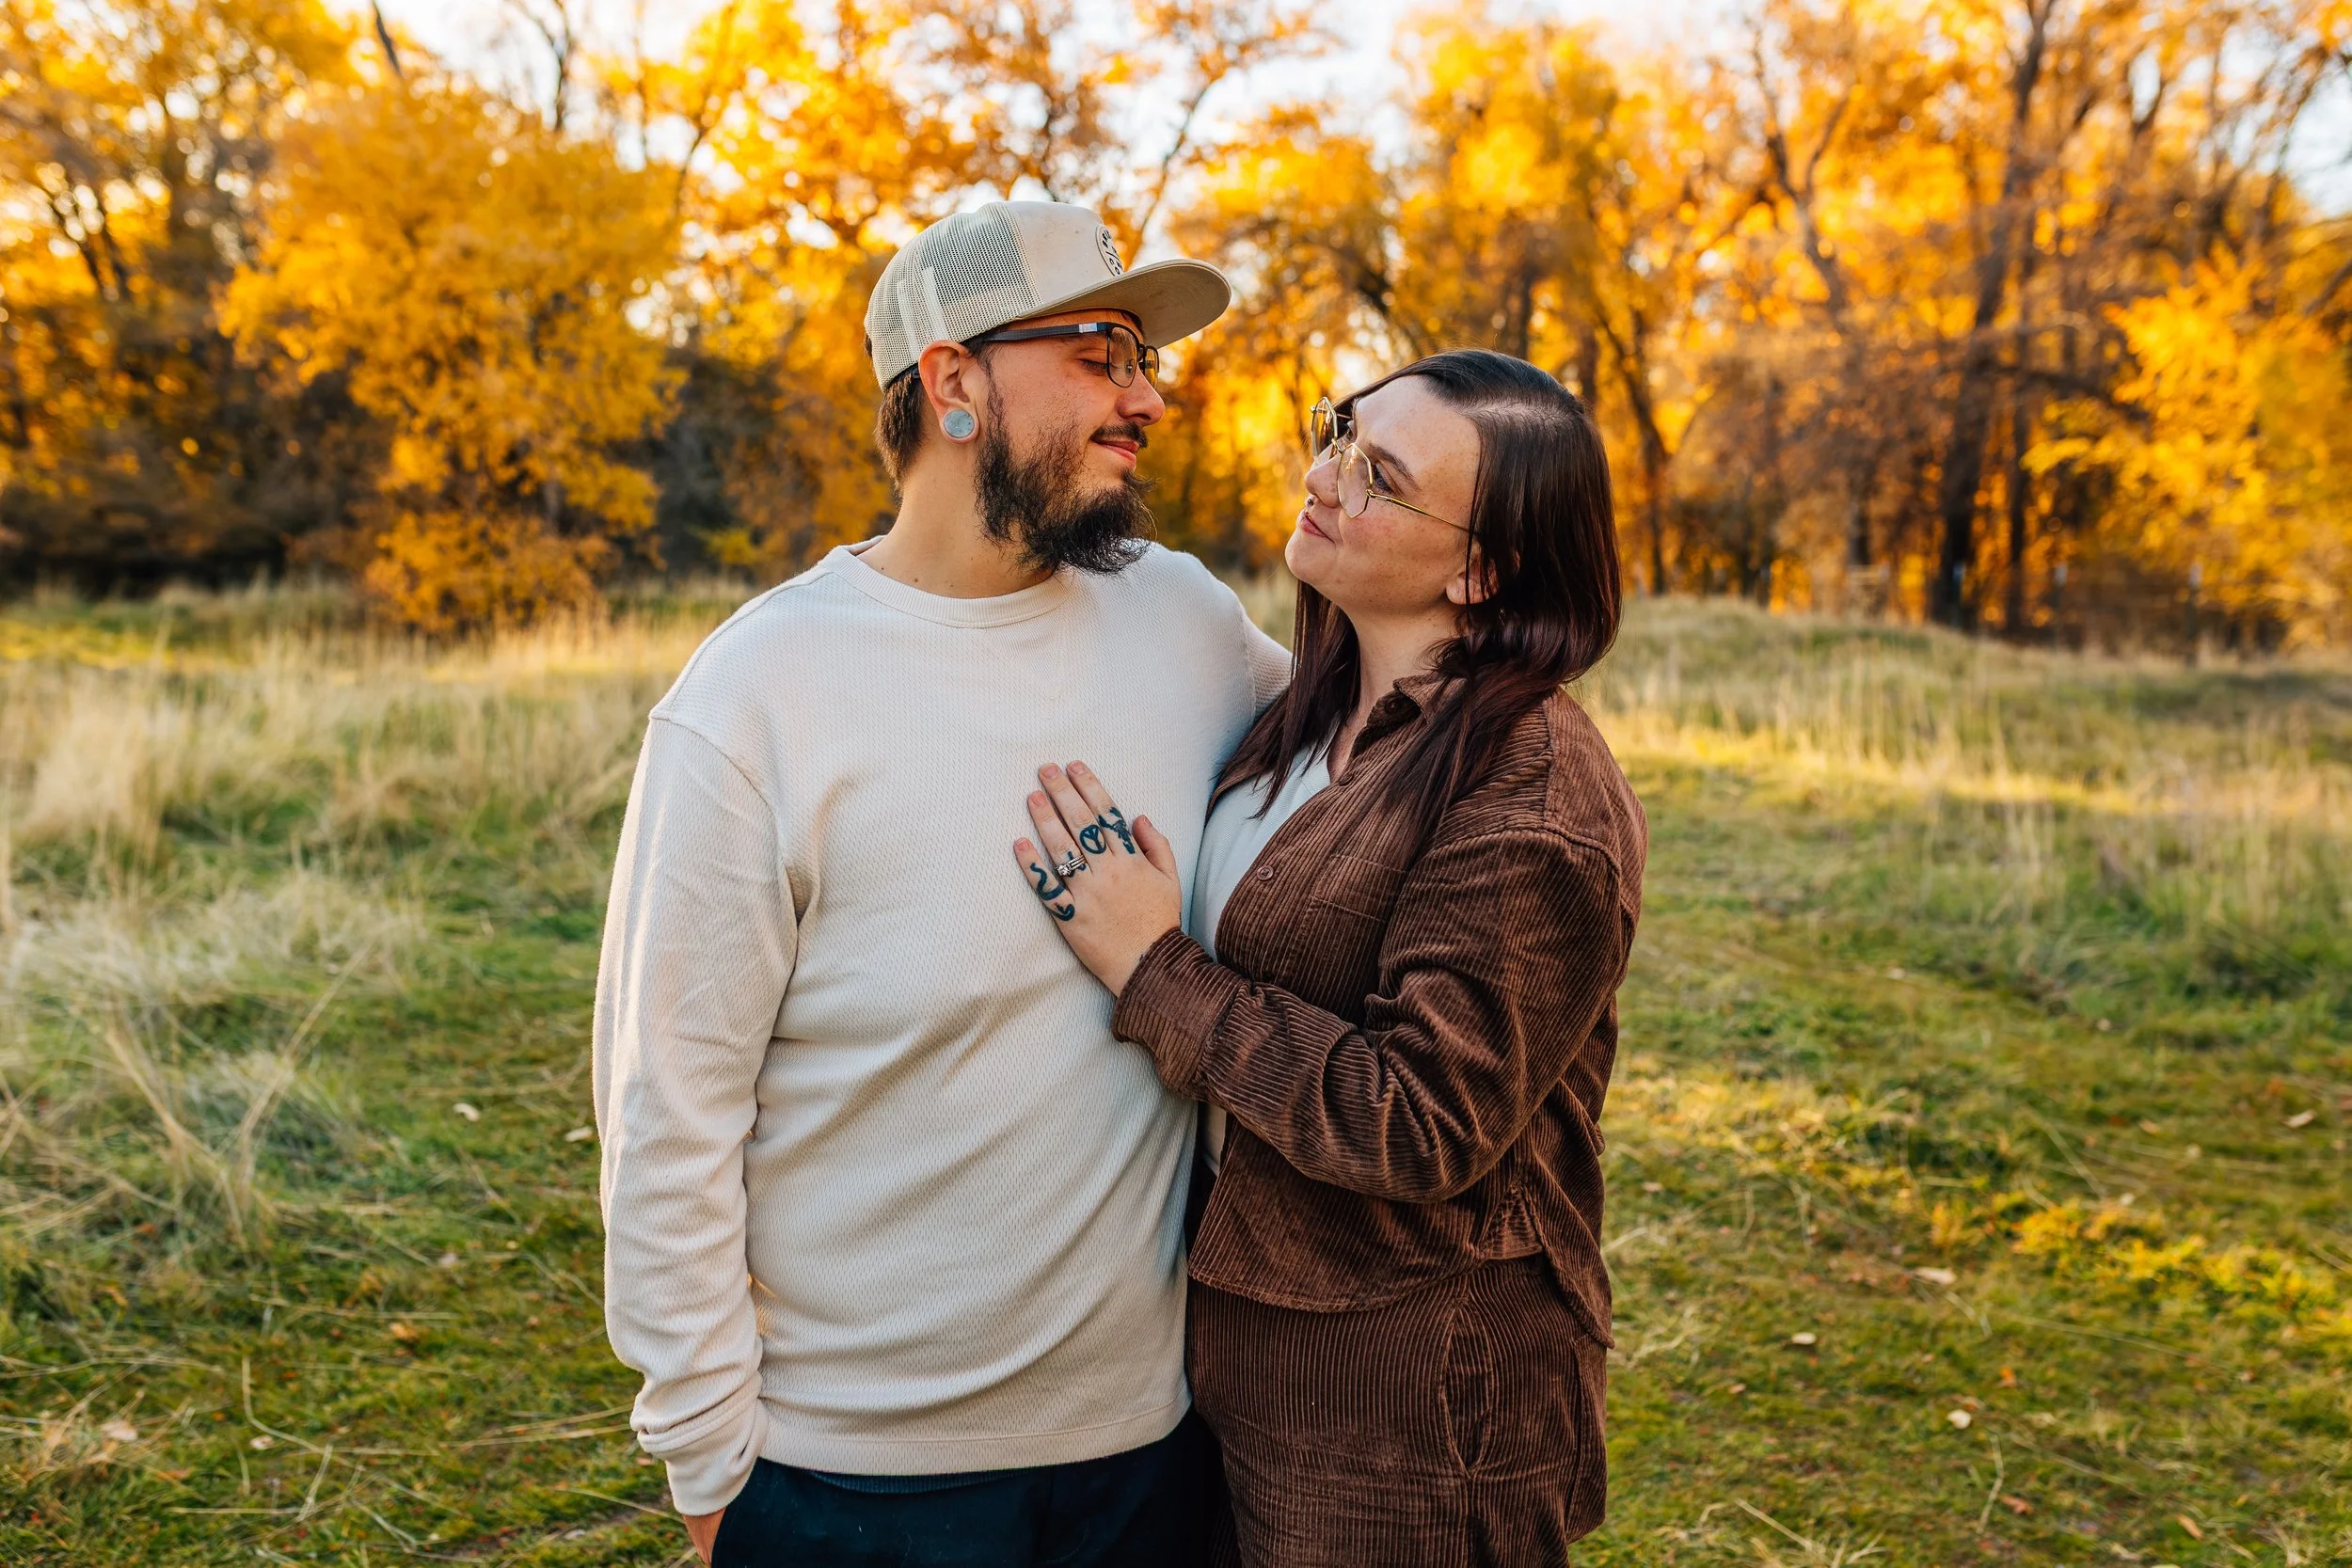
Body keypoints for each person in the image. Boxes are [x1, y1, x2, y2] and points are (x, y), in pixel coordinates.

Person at [593, 199, 1290, 1568]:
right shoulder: (759, 696)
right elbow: (664, 1117)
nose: (1147, 393)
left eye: (1142, 355)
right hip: (852, 1488)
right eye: (1101, 348)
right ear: (955, 379)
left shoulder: (1190, 622)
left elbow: (1376, 759)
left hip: (1154, 1464)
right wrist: (712, 1474)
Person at [1009, 349, 1645, 1566]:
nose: (1323, 476)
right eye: (1338, 432)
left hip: (1410, 1400)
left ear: (1483, 567)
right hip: (1239, 1349)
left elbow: (1420, 1120)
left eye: (1380, 475)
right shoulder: (1306, 705)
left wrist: (1154, 968)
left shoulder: (1534, 795)